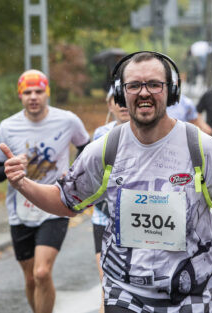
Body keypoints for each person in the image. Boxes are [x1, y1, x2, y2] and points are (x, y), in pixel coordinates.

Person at [0, 51, 212, 313]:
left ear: (171, 91)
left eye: (154, 84)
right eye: (134, 85)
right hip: (126, 295)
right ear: (121, 93)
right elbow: (64, 201)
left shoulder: (200, 147)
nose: (144, 92)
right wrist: (22, 183)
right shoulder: (105, 149)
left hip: (194, 296)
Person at [0, 69, 90, 313]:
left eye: (39, 91)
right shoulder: (7, 126)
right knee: (31, 278)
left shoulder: (67, 120)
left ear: (47, 94)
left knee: (42, 273)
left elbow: (87, 150)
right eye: (28, 92)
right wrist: (9, 169)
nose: (33, 97)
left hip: (55, 204)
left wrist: (74, 173)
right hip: (21, 209)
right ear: (20, 96)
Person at [91, 87, 130, 313]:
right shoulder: (100, 134)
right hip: (104, 217)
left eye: (126, 99)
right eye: (118, 100)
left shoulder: (150, 134)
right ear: (110, 105)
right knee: (108, 288)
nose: (123, 104)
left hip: (137, 220)